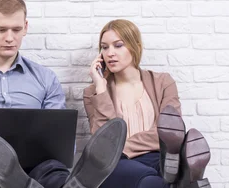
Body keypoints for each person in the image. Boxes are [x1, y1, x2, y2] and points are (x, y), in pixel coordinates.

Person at [0, 0, 127, 187]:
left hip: (36, 165)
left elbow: (61, 142)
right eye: (1, 29)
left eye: (16, 30)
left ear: (25, 27)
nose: (9, 37)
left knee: (54, 174)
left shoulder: (46, 78)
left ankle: (70, 184)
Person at [83, 19, 212, 188]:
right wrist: (101, 87)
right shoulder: (93, 93)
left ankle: (180, 176)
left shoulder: (163, 82)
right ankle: (185, 181)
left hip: (159, 159)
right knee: (150, 180)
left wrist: (123, 144)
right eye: (105, 47)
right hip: (116, 164)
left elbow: (170, 132)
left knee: (163, 169)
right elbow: (105, 143)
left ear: (135, 46)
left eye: (118, 45)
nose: (110, 53)